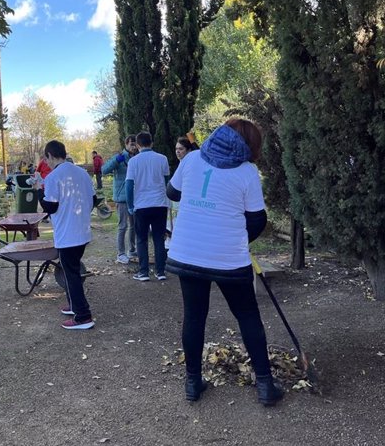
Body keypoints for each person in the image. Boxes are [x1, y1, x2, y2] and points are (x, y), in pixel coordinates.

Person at [165, 118, 283, 406]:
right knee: (247, 315)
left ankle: (192, 382)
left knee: (194, 316)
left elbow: (172, 192)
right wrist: (238, 238)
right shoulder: (247, 172)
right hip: (228, 258)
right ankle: (266, 385)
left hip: (187, 253)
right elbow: (257, 219)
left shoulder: (191, 159)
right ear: (249, 146)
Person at [37, 140, 96, 330]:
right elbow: (93, 199)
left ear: (50, 156)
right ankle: (74, 306)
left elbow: (50, 206)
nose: (46, 162)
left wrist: (39, 191)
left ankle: (83, 316)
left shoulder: (54, 177)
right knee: (72, 270)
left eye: (46, 159)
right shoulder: (82, 173)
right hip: (82, 230)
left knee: (71, 274)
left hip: (67, 233)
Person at [125, 131, 170, 282]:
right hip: (160, 204)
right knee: (159, 238)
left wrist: (130, 205)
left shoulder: (134, 161)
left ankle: (143, 272)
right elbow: (166, 180)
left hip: (142, 205)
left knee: (141, 239)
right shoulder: (162, 159)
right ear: (152, 143)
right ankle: (160, 271)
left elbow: (129, 184)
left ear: (137, 145)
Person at [102, 135, 138, 264]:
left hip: (135, 197)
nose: (134, 147)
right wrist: (116, 161)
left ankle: (132, 249)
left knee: (134, 226)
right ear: (126, 144)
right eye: (132, 144)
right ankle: (121, 253)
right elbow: (104, 170)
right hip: (122, 197)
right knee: (123, 226)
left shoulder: (137, 158)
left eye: (136, 144)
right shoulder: (120, 157)